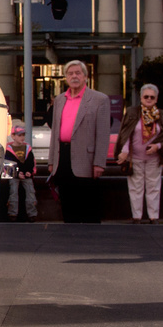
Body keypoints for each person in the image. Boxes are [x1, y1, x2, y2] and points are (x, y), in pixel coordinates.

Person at [49, 59, 111, 224]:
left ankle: (90, 241)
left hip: (87, 159)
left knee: (88, 204)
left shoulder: (99, 99)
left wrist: (99, 163)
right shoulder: (60, 99)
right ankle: (69, 237)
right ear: (65, 77)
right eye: (70, 73)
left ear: (85, 77)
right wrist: (51, 161)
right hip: (63, 156)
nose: (74, 76)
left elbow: (103, 134)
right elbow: (55, 131)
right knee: (67, 201)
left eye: (78, 73)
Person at [116, 84, 163, 224]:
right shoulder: (132, 112)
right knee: (135, 187)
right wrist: (124, 151)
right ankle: (137, 217)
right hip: (135, 159)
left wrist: (158, 146)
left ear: (156, 99)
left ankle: (153, 217)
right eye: (146, 96)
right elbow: (125, 134)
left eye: (152, 97)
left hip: (154, 158)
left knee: (154, 187)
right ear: (140, 98)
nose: (148, 99)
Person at [6, 120, 38, 222]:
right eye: (19, 135)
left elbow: (31, 161)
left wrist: (29, 171)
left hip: (26, 175)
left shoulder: (27, 148)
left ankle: (32, 213)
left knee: (30, 193)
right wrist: (17, 173)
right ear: (13, 136)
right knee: (13, 192)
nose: (22, 138)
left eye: (23, 135)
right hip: (15, 175)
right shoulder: (9, 149)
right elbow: (9, 163)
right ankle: (12, 213)